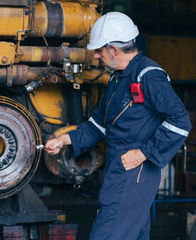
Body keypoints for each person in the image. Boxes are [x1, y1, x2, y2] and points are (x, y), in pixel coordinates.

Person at [45, 12, 191, 240]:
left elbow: (180, 121)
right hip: (120, 167)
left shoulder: (148, 76)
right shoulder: (118, 78)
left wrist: (144, 153)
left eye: (99, 50)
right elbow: (100, 125)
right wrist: (65, 139)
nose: (95, 56)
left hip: (134, 170)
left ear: (114, 49)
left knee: (107, 233)